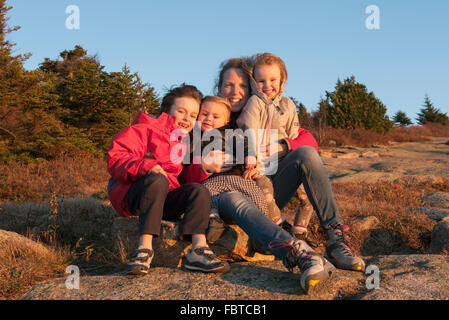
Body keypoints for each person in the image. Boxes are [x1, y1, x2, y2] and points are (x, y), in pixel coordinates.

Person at [181, 56, 365, 280]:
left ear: (251, 88)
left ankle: (335, 238)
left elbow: (309, 141)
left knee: (305, 154)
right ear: (218, 88)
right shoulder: (209, 119)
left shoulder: (261, 113)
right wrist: (204, 164)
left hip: (265, 191)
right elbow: (182, 170)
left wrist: (283, 145)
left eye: (242, 85)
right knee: (233, 196)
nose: (235, 91)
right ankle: (299, 253)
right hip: (226, 198)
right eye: (228, 85)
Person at [107, 84, 229, 276]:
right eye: (181, 111)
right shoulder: (145, 127)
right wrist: (148, 166)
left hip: (163, 198)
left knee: (198, 190)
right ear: (167, 110)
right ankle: (144, 249)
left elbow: (182, 179)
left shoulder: (183, 141)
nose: (187, 118)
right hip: (134, 195)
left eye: (192, 114)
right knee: (158, 180)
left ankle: (197, 250)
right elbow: (116, 157)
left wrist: (203, 167)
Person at [193, 95, 277, 243]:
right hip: (214, 179)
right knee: (206, 193)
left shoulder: (229, 133)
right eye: (204, 114)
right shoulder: (193, 137)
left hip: (237, 176)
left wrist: (250, 156)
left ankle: (264, 231)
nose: (208, 118)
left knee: (256, 195)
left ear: (226, 121)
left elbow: (244, 143)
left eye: (215, 116)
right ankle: (214, 220)